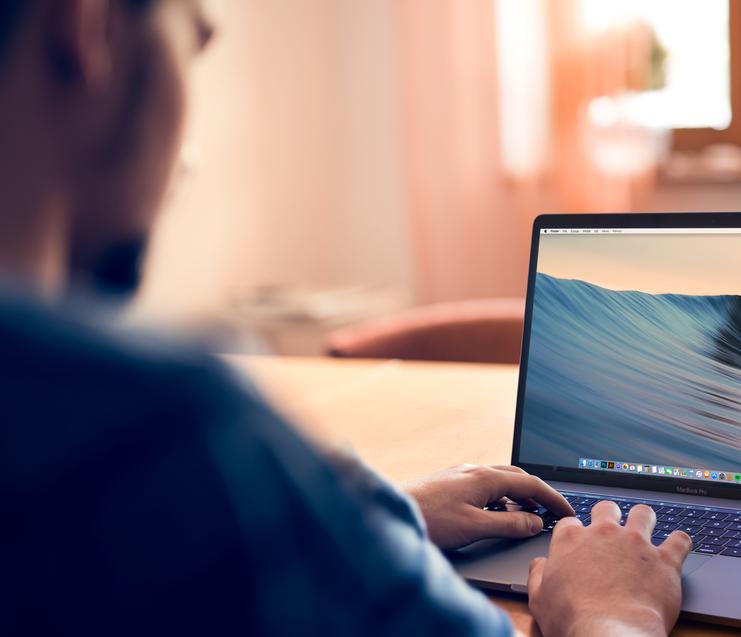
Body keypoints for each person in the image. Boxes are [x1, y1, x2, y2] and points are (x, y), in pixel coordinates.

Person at [0, 1, 691, 635]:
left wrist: (356, 510)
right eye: (195, 37)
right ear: (87, 28)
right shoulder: (160, 433)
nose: (187, 154)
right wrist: (613, 611)